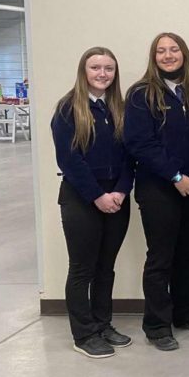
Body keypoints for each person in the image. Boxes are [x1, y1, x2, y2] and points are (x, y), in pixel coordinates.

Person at [124, 32, 189, 352]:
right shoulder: (140, 94)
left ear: (184, 54)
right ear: (153, 57)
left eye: (174, 50)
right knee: (161, 257)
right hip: (158, 188)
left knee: (187, 254)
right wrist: (176, 176)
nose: (168, 55)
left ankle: (185, 314)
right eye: (161, 51)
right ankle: (157, 325)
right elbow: (139, 144)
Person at [51, 47, 134, 359]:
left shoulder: (119, 108)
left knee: (106, 267)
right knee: (82, 269)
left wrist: (122, 191)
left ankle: (102, 324)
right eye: (96, 67)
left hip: (117, 198)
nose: (102, 74)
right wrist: (97, 196)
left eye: (109, 68)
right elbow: (69, 160)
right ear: (83, 71)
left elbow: (130, 156)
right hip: (82, 199)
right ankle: (84, 334)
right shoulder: (68, 109)